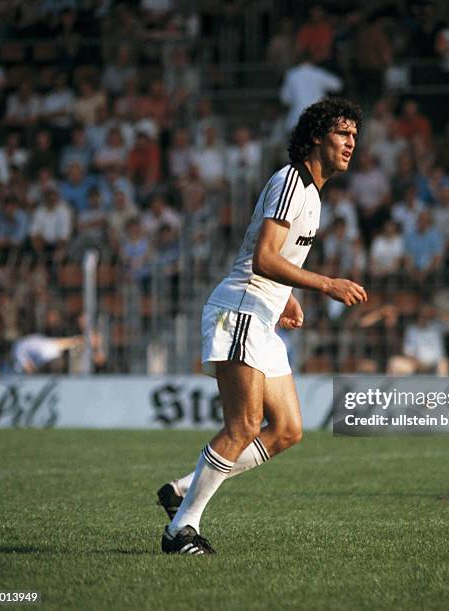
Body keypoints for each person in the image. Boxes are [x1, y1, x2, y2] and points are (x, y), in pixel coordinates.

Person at [157, 98, 367, 555]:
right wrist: (324, 284)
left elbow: (272, 254)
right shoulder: (293, 179)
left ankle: (183, 490)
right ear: (316, 137)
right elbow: (263, 258)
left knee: (288, 429)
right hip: (242, 309)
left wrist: (287, 295)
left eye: (354, 135)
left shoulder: (312, 194)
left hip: (263, 314)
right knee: (245, 424)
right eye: (342, 134)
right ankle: (180, 530)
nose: (351, 143)